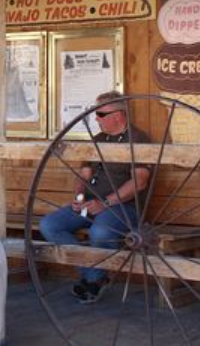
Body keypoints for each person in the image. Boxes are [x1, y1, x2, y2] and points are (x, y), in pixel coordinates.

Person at [40, 91, 152, 304]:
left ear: (118, 116)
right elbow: (83, 175)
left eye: (100, 114)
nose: (96, 119)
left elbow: (139, 181)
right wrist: (79, 197)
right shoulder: (98, 139)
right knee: (50, 225)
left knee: (100, 231)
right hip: (90, 205)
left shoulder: (138, 139)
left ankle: (93, 279)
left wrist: (106, 202)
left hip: (123, 208)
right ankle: (95, 276)